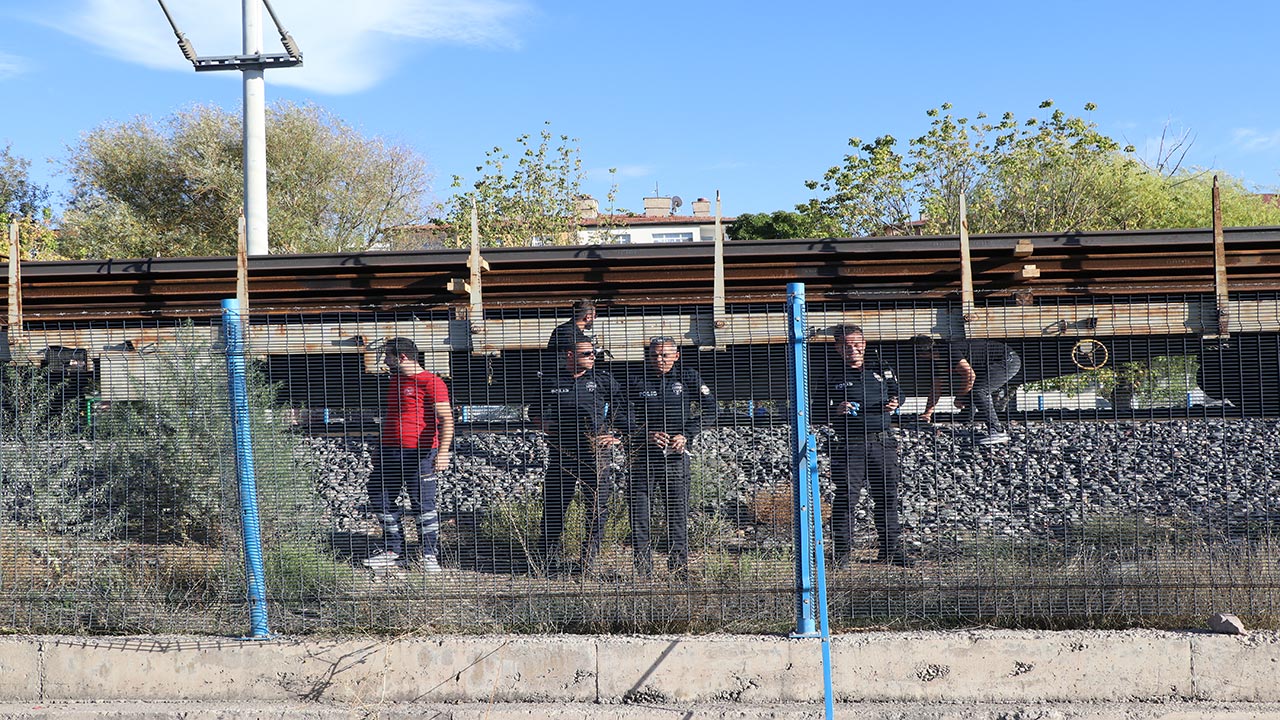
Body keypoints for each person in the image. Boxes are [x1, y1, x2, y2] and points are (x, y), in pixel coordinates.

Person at [529, 338, 630, 576]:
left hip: (595, 454)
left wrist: (616, 435)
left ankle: (588, 562)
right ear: (570, 355)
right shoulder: (551, 379)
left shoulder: (602, 380)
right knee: (554, 506)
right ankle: (546, 563)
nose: (592, 356)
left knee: (596, 508)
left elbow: (624, 409)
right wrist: (543, 424)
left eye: (594, 353)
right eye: (586, 353)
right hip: (563, 453)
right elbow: (534, 410)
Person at [815, 324, 910, 567]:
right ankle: (843, 554)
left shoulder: (881, 368)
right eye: (847, 346)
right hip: (849, 445)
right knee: (846, 498)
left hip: (883, 443)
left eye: (857, 344)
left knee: (887, 497)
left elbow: (899, 393)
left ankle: (891, 551)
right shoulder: (830, 374)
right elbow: (815, 411)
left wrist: (895, 402)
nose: (853, 350)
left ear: (864, 344)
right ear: (838, 348)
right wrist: (835, 410)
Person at [625, 336, 717, 578]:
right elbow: (619, 414)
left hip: (676, 458)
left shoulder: (687, 377)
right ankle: (643, 570)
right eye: (655, 355)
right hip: (641, 457)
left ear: (675, 355)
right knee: (639, 514)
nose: (659, 359)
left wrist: (686, 434)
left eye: (665, 355)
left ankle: (679, 568)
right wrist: (645, 434)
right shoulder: (635, 379)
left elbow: (711, 409)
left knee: (677, 513)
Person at [362, 337, 455, 572]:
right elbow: (393, 417)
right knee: (379, 495)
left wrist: (443, 453)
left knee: (422, 504)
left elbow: (446, 419)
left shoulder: (431, 382)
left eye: (388, 356)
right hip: (389, 451)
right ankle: (394, 550)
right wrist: (379, 447)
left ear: (401, 357)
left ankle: (428, 555)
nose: (385, 360)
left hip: (420, 453)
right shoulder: (395, 382)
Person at [915, 335, 1021, 446]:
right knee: (974, 388)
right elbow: (937, 386)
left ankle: (997, 430)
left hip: (1007, 360)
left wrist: (960, 398)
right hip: (994, 363)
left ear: (923, 354)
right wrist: (927, 413)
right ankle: (967, 418)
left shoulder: (949, 351)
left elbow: (970, 376)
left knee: (980, 390)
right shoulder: (939, 358)